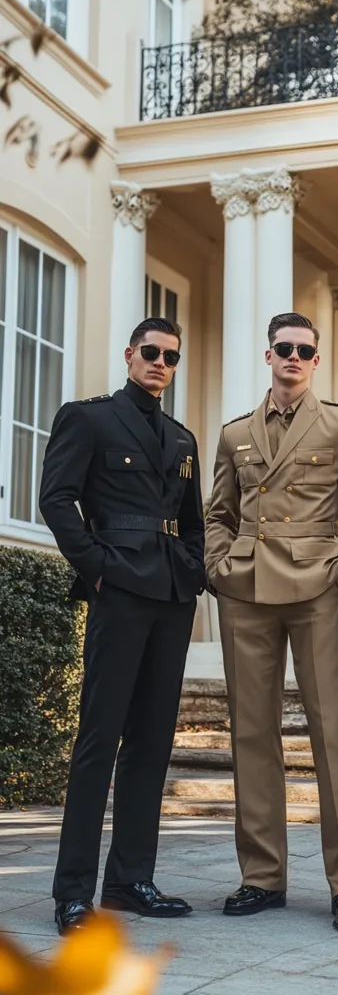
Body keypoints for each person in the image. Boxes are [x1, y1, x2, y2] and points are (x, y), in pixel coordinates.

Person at [205, 313, 338, 933]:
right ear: (269, 355)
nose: (294, 357)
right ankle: (261, 876)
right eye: (284, 347)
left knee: (333, 734)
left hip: (317, 587)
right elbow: (218, 512)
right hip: (246, 590)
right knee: (252, 733)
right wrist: (218, 566)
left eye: (304, 349)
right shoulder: (235, 433)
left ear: (316, 360)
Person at [39, 318, 205, 935]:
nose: (161, 363)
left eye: (171, 357)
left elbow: (193, 521)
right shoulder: (88, 419)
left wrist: (192, 567)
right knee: (99, 739)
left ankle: (130, 880)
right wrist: (98, 568)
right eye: (152, 352)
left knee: (152, 741)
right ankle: (73, 893)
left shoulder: (182, 438)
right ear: (131, 354)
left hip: (172, 594)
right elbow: (56, 499)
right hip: (120, 591)